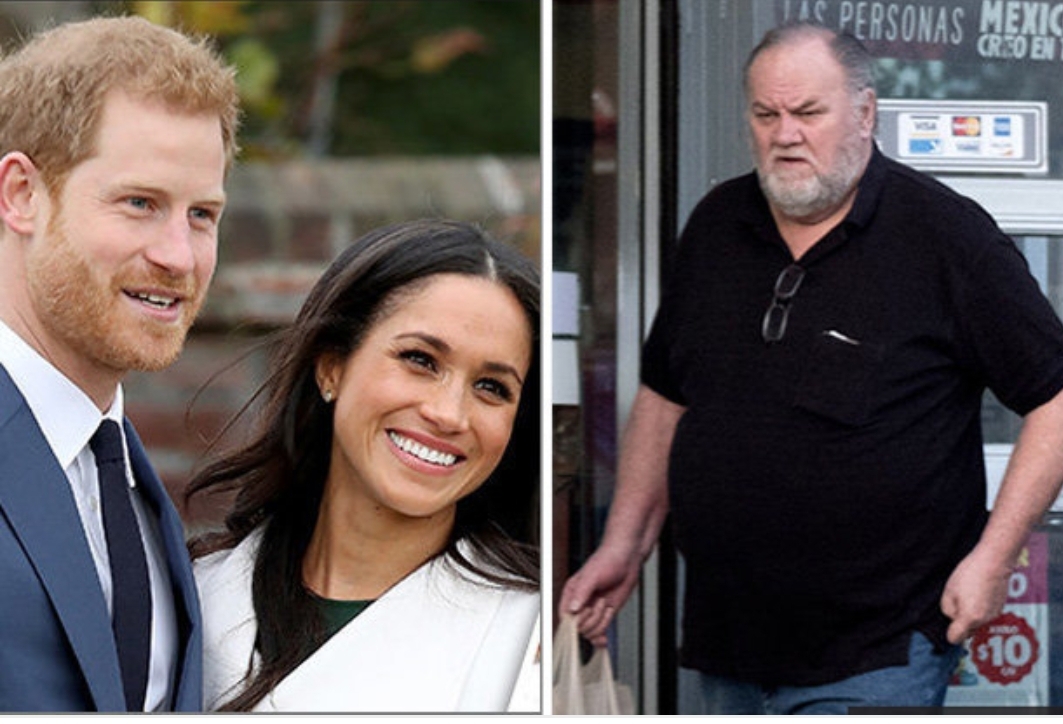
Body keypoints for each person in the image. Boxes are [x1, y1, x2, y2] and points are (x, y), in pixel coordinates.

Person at [560, 21, 1063, 714]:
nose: (784, 134)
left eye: (807, 113)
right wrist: (624, 544)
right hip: (726, 648)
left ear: (864, 112)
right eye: (765, 115)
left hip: (876, 653)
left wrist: (993, 557)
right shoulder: (715, 226)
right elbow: (665, 395)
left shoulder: (945, 238)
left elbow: (1054, 398)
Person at [186, 218, 541, 712]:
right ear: (332, 367)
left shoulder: (534, 641)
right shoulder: (190, 597)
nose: (448, 413)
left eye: (491, 388)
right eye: (420, 360)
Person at [0, 14, 240, 712]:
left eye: (202, 215)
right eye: (140, 203)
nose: (179, 256)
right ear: (21, 194)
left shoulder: (127, 483)